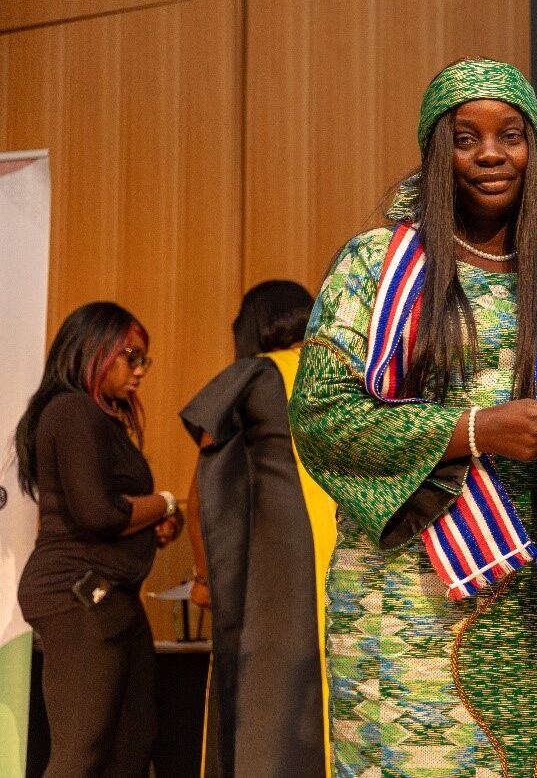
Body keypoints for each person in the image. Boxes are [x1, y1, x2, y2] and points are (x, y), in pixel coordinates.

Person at [288, 58, 537, 776]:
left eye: (510, 135)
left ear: (532, 152)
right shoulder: (373, 267)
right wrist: (479, 430)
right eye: (466, 137)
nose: (489, 154)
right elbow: (321, 416)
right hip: (407, 598)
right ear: (435, 150)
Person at [15, 301, 183, 777]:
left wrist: (155, 520)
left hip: (113, 597)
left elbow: (112, 509)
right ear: (94, 350)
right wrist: (166, 502)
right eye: (131, 357)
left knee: (133, 744)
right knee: (82, 750)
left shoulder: (98, 418)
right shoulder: (71, 411)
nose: (139, 371)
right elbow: (97, 514)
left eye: (142, 360)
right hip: (79, 597)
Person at [180, 279, 331, 777]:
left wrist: (204, 576)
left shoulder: (258, 373)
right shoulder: (337, 376)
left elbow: (202, 480)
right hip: (346, 558)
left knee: (267, 694)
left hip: (280, 563)